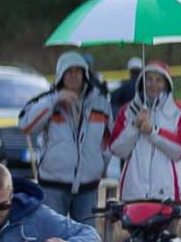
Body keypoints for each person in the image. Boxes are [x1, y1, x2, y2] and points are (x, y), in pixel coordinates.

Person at [19, 51, 112, 222]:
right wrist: (55, 100)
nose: (74, 75)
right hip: (52, 185)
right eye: (69, 71)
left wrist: (100, 164)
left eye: (78, 71)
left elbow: (109, 139)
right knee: (52, 236)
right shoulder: (48, 100)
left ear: (85, 74)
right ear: (61, 75)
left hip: (88, 187)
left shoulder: (101, 103)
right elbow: (26, 125)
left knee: (85, 238)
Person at [109, 62, 181, 201]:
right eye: (148, 79)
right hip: (133, 194)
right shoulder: (127, 111)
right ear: (142, 82)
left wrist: (153, 132)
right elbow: (116, 149)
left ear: (166, 83)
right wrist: (134, 126)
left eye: (158, 80)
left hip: (169, 195)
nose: (153, 84)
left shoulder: (180, 111)